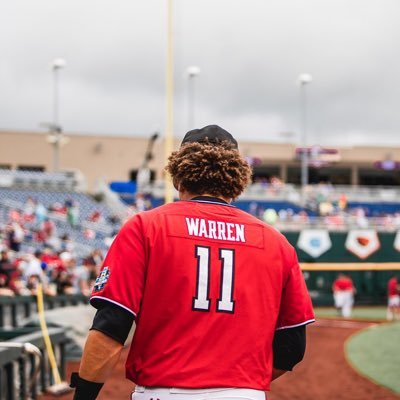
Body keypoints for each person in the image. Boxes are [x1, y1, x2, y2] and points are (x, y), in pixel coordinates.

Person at [71, 125, 315, 400]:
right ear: (238, 178)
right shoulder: (276, 241)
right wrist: (233, 386)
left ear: (178, 176)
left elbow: (111, 327)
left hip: (163, 391)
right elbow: (291, 347)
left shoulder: (145, 226)